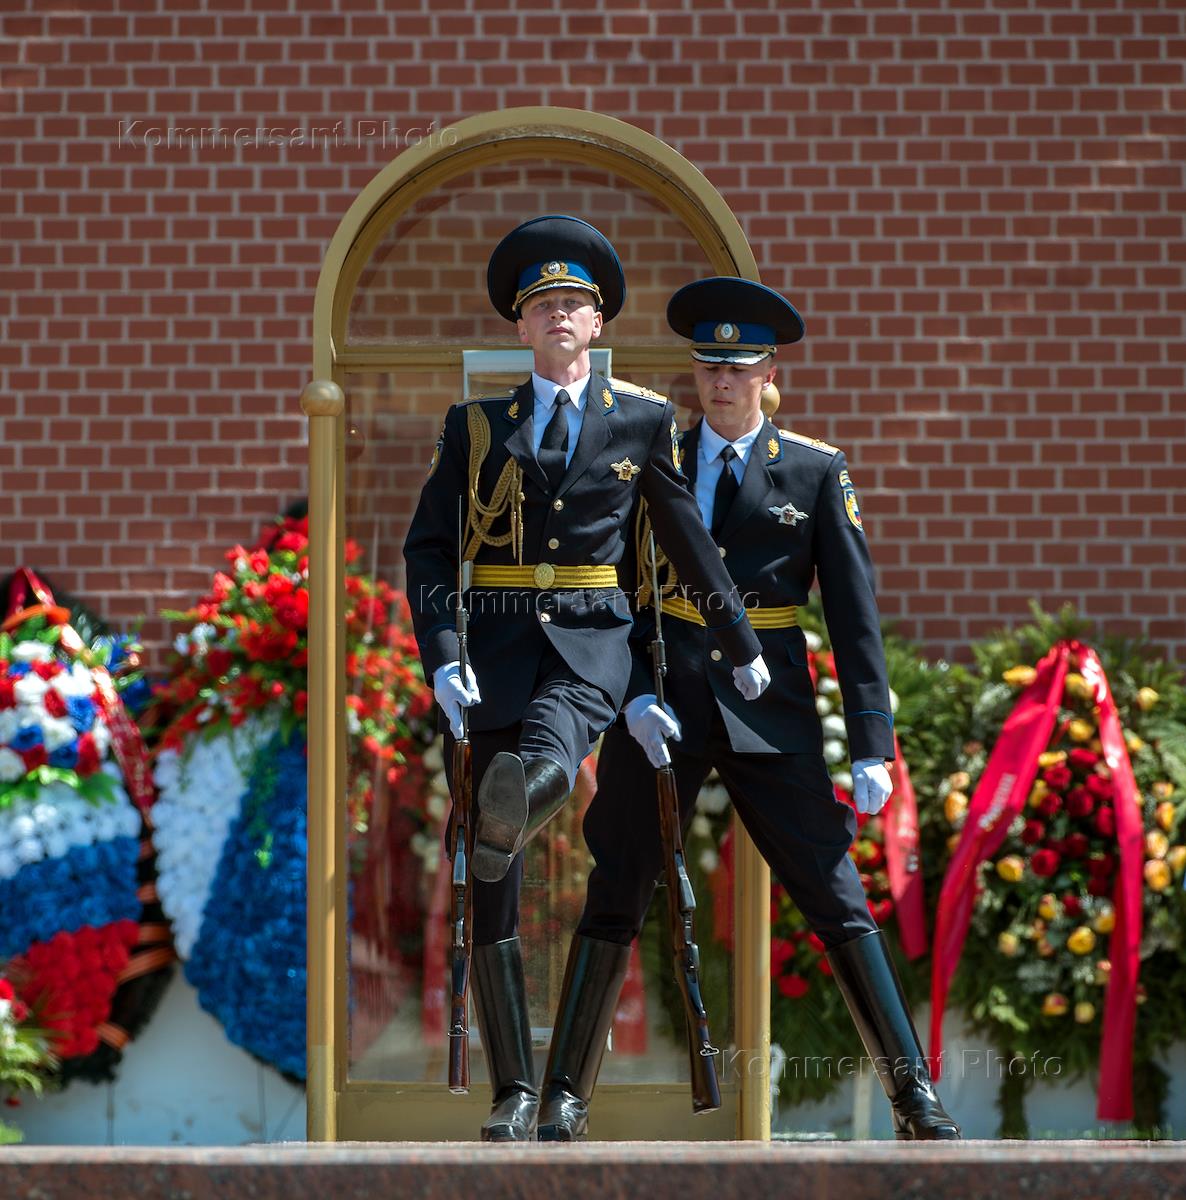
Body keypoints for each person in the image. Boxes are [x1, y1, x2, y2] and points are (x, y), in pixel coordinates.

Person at [534, 276, 961, 1142]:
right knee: (616, 886)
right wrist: (632, 692)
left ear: (771, 373)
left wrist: (874, 741)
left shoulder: (813, 468)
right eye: (707, 365)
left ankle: (914, 1097)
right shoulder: (646, 457)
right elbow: (616, 584)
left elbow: (854, 613)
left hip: (774, 704)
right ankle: (562, 1100)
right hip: (664, 699)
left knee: (835, 894)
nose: (720, 381)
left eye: (738, 366)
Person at [402, 222, 772, 1142]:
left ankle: (521, 791)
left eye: (572, 304)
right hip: (492, 650)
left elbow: (684, 536)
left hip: (589, 644)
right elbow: (430, 549)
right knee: (496, 882)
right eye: (540, 306)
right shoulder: (477, 426)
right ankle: (513, 1094)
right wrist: (443, 651)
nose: (557, 315)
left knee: (552, 750)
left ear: (597, 323)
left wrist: (736, 634)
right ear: (521, 329)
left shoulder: (643, 419)